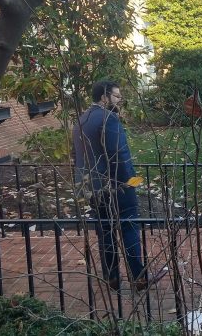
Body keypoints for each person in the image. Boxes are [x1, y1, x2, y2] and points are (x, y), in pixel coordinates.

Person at [72, 80, 159, 292]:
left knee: (105, 232)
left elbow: (79, 157)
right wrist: (131, 182)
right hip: (116, 186)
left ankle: (111, 278)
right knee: (129, 227)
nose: (119, 100)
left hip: (91, 187)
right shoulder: (108, 119)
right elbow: (119, 155)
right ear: (104, 97)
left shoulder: (81, 120)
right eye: (117, 96)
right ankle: (139, 277)